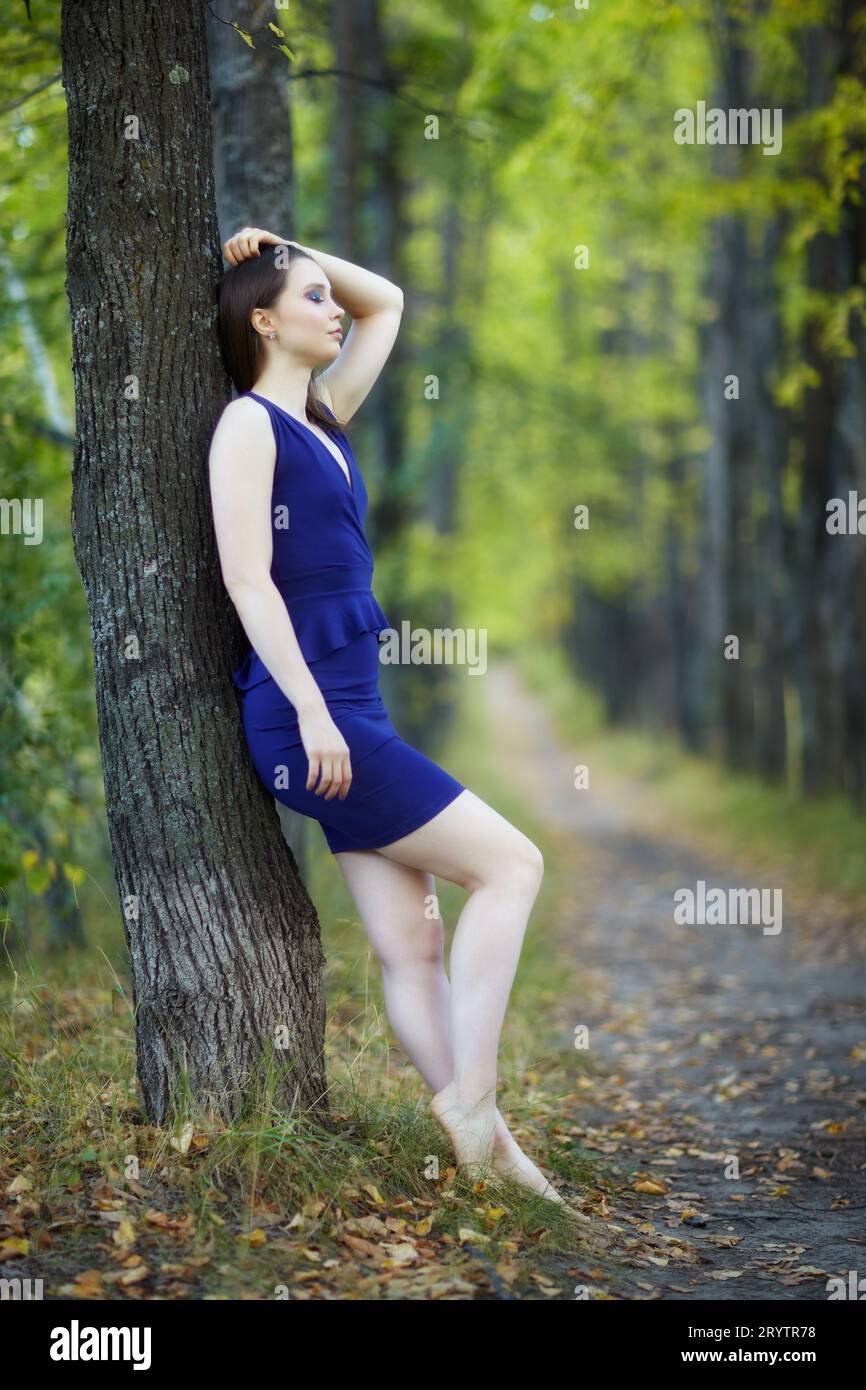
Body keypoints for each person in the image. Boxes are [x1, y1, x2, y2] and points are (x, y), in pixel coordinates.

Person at [209, 226, 561, 1205]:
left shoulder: (324, 418)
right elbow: (248, 579)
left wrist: (288, 242)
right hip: (308, 717)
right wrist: (316, 715)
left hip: (346, 710)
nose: (335, 308)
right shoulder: (248, 427)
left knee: (413, 945)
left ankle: (498, 1165)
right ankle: (475, 1104)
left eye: (330, 296)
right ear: (266, 322)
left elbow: (390, 301)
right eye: (311, 296)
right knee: (512, 865)